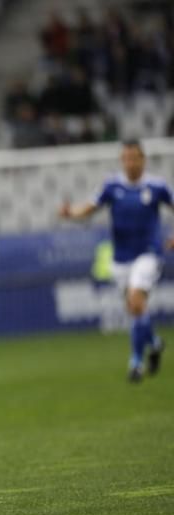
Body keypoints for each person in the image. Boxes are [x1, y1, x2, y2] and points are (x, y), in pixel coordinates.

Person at [60, 139, 174, 382]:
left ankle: (135, 363)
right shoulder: (112, 186)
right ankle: (154, 344)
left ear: (143, 160)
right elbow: (91, 207)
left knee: (135, 300)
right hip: (121, 259)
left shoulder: (157, 186)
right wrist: (71, 213)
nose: (131, 163)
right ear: (122, 161)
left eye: (135, 158)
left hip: (148, 254)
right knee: (135, 310)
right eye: (127, 158)